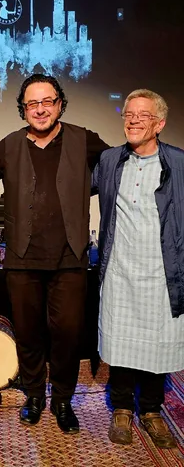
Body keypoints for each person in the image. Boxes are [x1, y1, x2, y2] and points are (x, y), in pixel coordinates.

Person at [0, 73, 110, 434]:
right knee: (28, 333)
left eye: (47, 102)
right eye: (32, 103)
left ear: (59, 105)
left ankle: (61, 399)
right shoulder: (8, 145)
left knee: (68, 334)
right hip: (22, 258)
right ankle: (33, 396)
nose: (40, 109)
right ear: (23, 109)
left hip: (70, 258)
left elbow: (116, 170)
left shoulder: (84, 140)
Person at [93, 89, 183, 449]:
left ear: (159, 124)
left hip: (162, 273)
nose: (132, 120)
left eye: (142, 115)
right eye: (128, 114)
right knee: (121, 343)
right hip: (120, 270)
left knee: (158, 344)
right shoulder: (110, 160)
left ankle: (150, 409)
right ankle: (121, 408)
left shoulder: (178, 163)